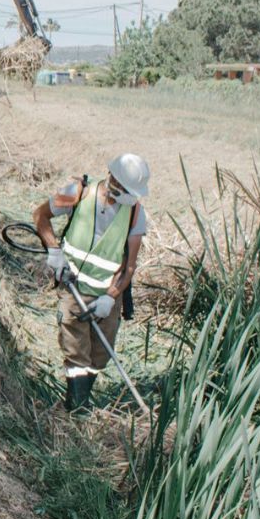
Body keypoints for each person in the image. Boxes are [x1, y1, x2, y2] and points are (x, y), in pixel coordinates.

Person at [33, 153, 150, 412]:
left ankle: (82, 401)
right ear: (114, 180)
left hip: (107, 294)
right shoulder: (79, 191)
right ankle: (77, 411)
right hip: (73, 289)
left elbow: (129, 264)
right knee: (77, 354)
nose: (131, 197)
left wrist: (111, 297)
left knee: (98, 357)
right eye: (127, 190)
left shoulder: (135, 213)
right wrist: (54, 250)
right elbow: (40, 215)